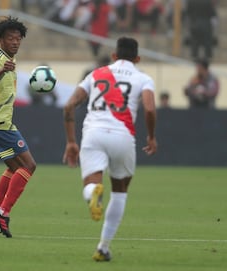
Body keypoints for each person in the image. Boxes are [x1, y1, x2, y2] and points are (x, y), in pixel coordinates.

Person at [63, 36, 157, 261]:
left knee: (91, 184)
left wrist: (70, 141)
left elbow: (69, 106)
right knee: (120, 191)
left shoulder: (95, 74)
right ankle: (103, 247)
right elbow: (150, 109)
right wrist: (152, 137)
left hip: (93, 134)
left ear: (114, 55)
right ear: (138, 58)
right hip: (123, 137)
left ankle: (93, 192)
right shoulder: (143, 78)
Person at [0, 17, 36, 238]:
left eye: (18, 38)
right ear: (0, 40)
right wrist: (2, 70)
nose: (15, 42)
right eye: (10, 38)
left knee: (15, 169)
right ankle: (2, 213)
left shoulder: (10, 58)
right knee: (29, 165)